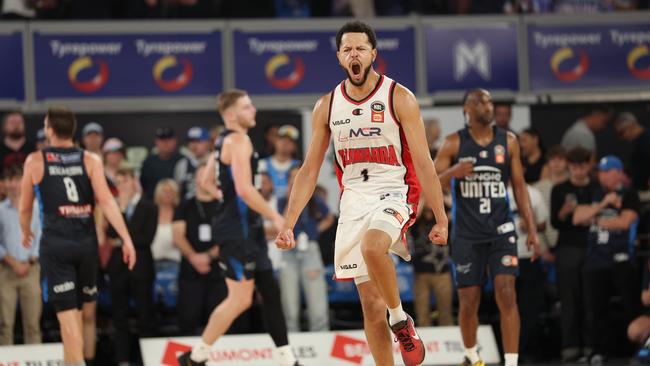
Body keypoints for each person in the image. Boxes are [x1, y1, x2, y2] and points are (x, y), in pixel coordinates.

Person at [276, 21, 448, 366]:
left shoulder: (399, 97)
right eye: (347, 49)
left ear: (373, 54)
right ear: (340, 57)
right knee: (370, 308)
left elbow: (425, 163)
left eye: (360, 48)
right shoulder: (327, 106)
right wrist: (288, 223)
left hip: (395, 191)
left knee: (373, 247)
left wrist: (441, 217)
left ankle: (400, 319)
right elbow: (309, 170)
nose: (354, 54)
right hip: (353, 199)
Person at [178, 89, 301, 366]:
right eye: (247, 107)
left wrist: (228, 199)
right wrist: (276, 217)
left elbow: (206, 182)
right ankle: (196, 357)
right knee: (240, 300)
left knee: (270, 291)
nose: (253, 110)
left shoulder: (222, 141)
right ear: (232, 114)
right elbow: (245, 190)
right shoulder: (239, 140)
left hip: (246, 228)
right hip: (238, 231)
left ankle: (288, 360)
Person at [19, 107, 136, 366]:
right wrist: (126, 238)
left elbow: (25, 207)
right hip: (86, 246)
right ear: (72, 131)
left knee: (69, 320)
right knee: (82, 317)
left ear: (49, 130)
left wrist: (25, 230)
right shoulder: (90, 159)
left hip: (57, 246)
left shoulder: (36, 160)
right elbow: (107, 201)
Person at [434, 88, 539, 366]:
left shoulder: (509, 141)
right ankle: (471, 355)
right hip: (467, 235)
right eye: (480, 101)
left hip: (501, 230)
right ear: (466, 108)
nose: (487, 106)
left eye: (490, 101)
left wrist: (532, 230)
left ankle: (512, 361)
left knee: (507, 292)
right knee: (469, 302)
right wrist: (451, 173)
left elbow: (519, 188)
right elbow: (429, 185)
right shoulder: (453, 143)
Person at [573, 155, 641, 364]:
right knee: (594, 309)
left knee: (631, 306)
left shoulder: (629, 195)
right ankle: (597, 351)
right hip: (595, 260)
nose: (602, 176)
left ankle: (639, 349)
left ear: (617, 172)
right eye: (600, 172)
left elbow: (624, 222)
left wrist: (595, 218)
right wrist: (603, 203)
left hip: (620, 258)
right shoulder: (595, 193)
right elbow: (577, 218)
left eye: (605, 172)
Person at [106, 167, 157, 366]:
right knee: (120, 318)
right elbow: (111, 234)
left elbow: (146, 238)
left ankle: (149, 359)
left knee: (145, 316)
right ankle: (123, 360)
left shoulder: (149, 207)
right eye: (118, 183)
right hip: (118, 268)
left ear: (134, 181)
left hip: (142, 269)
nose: (122, 186)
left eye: (125, 181)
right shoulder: (114, 208)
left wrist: (124, 241)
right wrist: (122, 209)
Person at [550, 146, 596, 362]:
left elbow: (600, 216)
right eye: (574, 165)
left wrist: (584, 217)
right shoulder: (559, 189)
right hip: (567, 247)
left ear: (589, 165)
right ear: (569, 166)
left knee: (590, 298)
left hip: (592, 246)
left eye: (582, 165)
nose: (578, 170)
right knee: (569, 299)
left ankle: (590, 344)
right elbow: (555, 222)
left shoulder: (596, 188)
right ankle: (569, 345)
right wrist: (563, 213)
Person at [277, 166, 332, 332]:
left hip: (309, 249)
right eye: (292, 178)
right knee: (289, 301)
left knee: (317, 300)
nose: (296, 181)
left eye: (298, 177)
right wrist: (290, 197)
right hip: (288, 251)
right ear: (287, 182)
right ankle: (290, 342)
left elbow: (329, 217)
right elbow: (281, 221)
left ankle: (321, 338)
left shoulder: (313, 198)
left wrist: (315, 231)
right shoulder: (281, 200)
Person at [172, 163, 225, 335]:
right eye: (201, 176)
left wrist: (209, 256)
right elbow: (178, 235)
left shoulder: (223, 205)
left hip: (219, 271)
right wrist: (194, 257)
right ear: (195, 179)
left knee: (220, 321)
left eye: (209, 175)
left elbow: (229, 237)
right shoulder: (185, 206)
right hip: (190, 271)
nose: (204, 180)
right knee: (188, 318)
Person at [0, 166, 42, 345]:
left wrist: (29, 261)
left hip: (31, 270)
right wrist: (12, 262)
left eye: (17, 180)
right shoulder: (0, 210)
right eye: (9, 180)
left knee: (33, 325)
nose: (13, 184)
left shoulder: (36, 208)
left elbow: (40, 237)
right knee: (4, 325)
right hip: (5, 270)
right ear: (4, 184)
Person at [507, 182, 548, 362]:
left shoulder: (533, 193)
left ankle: (527, 350)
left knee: (530, 306)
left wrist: (531, 227)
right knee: (507, 305)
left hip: (529, 255)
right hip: (505, 256)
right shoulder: (498, 190)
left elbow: (543, 224)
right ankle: (510, 351)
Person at [409, 204, 454, 327]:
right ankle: (425, 345)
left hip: (442, 273)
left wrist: (437, 203)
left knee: (446, 314)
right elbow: (413, 217)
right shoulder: (416, 220)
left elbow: (455, 212)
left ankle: (447, 342)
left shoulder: (444, 220)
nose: (429, 211)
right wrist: (424, 198)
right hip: (421, 274)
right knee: (422, 315)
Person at [259, 125, 301, 201]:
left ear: (295, 146)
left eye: (290, 140)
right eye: (282, 139)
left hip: (290, 207)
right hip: (266, 206)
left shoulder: (300, 167)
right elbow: (258, 190)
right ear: (275, 142)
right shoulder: (262, 164)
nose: (285, 142)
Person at [140, 127, 183, 200]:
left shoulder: (183, 161)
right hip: (152, 204)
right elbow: (143, 186)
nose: (165, 143)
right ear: (156, 142)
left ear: (175, 141)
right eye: (162, 140)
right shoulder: (148, 162)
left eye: (169, 139)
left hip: (177, 205)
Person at [614, 111, 650, 191]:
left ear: (631, 125)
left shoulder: (647, 138)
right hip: (638, 188)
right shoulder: (637, 141)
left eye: (621, 132)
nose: (622, 137)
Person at [175, 126, 212, 201]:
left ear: (208, 142)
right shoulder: (183, 164)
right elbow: (178, 190)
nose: (194, 145)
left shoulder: (215, 161)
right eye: (191, 141)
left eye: (198, 141)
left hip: (211, 205)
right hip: (188, 207)